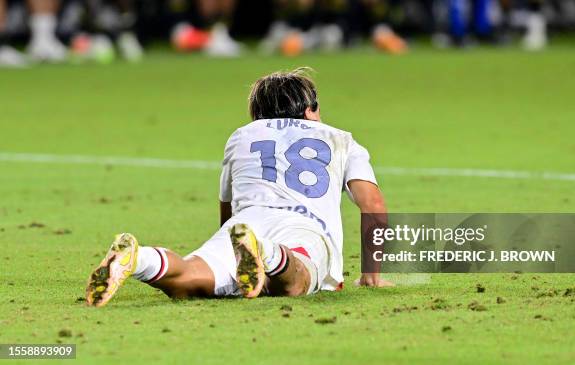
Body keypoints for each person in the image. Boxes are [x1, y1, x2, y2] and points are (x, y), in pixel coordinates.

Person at [85, 67, 392, 307]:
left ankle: (138, 258)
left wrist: (229, 250)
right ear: (310, 109)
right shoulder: (340, 138)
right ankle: (268, 254)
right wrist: (372, 276)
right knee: (296, 282)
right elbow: (373, 205)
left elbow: (226, 206)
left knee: (190, 281)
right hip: (303, 228)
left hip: (244, 223)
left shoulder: (242, 136)